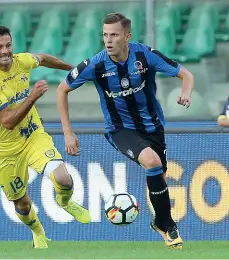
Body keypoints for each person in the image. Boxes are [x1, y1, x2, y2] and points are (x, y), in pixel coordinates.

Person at [57, 13, 194, 250]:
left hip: (153, 127)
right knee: (151, 162)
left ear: (127, 37)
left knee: (158, 176)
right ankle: (169, 225)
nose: (108, 40)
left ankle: (159, 222)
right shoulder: (96, 65)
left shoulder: (145, 55)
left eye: (114, 35)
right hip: (120, 129)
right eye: (105, 35)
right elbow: (61, 90)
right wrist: (68, 132)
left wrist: (186, 92)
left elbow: (186, 75)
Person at [0, 25, 91, 249]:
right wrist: (33, 96)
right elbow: (8, 122)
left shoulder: (22, 61)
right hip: (5, 150)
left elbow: (44, 59)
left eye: (8, 45)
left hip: (32, 136)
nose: (5, 51)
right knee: (21, 202)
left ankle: (65, 202)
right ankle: (38, 232)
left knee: (63, 180)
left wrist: (74, 70)